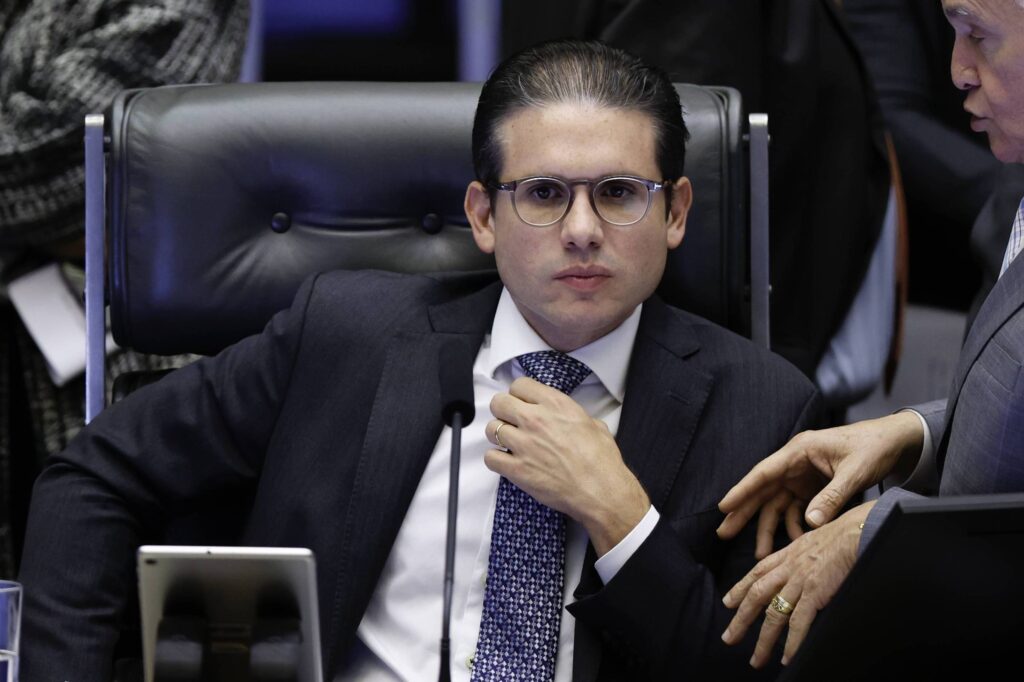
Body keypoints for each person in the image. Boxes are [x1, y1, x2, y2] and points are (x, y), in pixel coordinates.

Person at [17, 40, 820, 680]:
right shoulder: (346, 335)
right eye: (543, 194)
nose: (581, 230)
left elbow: (751, 666)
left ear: (675, 212)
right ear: (484, 216)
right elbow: (93, 476)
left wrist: (620, 520)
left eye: (617, 193)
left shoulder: (764, 411)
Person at [715, 0, 1024, 669]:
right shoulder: (1016, 186)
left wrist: (879, 528)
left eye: (979, 36)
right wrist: (913, 433)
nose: (958, 70)